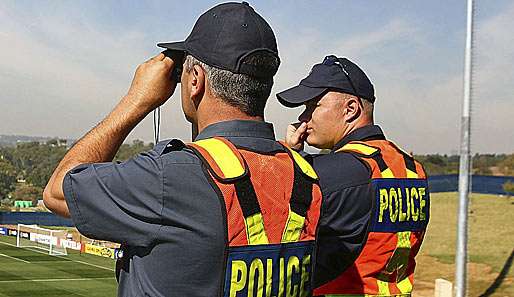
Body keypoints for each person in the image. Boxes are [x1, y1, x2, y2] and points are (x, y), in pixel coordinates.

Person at [43, 2, 322, 296]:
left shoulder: (169, 177)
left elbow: (57, 192)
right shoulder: (303, 174)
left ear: (195, 81)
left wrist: (136, 100)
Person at [277, 55, 430, 296]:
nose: (303, 118)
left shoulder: (340, 171)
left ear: (350, 109)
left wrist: (290, 155)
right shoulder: (413, 169)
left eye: (312, 106)